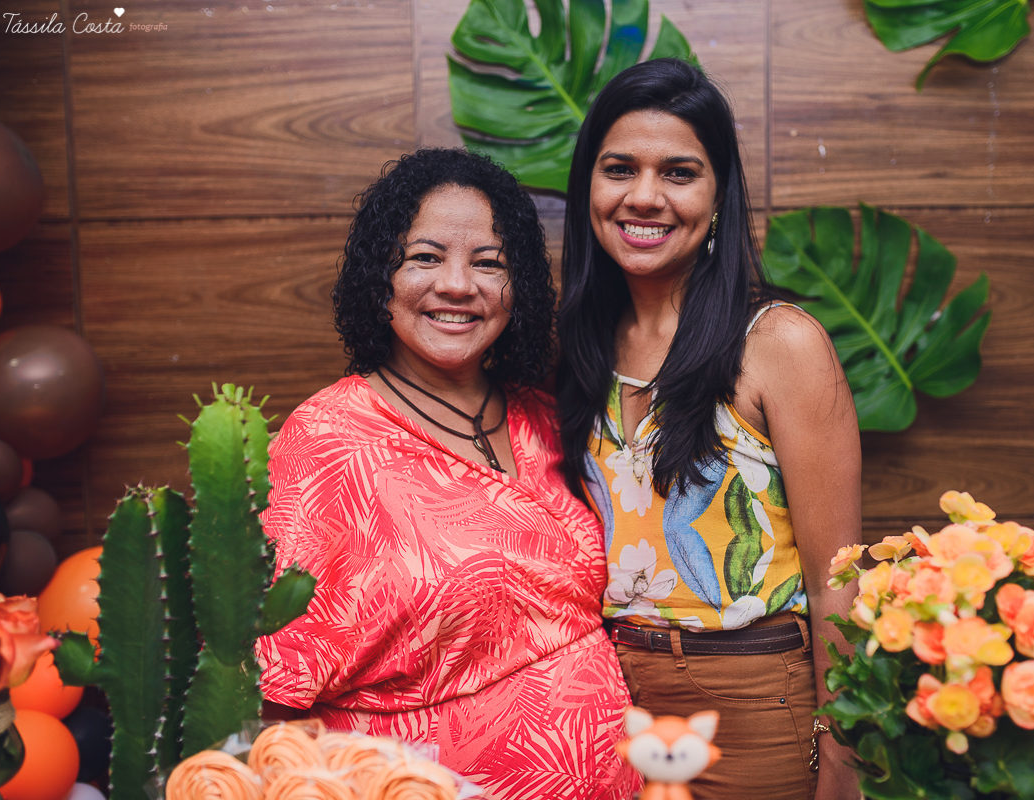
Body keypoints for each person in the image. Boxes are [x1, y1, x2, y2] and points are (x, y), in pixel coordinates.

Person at [256, 148, 639, 800]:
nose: (458, 284)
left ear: (516, 288)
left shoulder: (544, 414)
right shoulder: (326, 441)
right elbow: (275, 685)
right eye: (426, 258)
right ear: (381, 276)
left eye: (488, 263)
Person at [556, 59, 863, 800]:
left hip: (756, 704)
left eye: (680, 173)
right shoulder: (573, 351)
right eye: (619, 168)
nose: (644, 197)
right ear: (587, 189)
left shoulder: (777, 343)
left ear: (719, 195)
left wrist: (845, 764)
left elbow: (838, 583)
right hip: (610, 707)